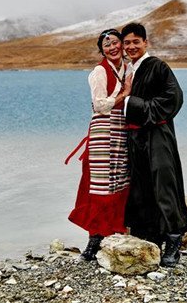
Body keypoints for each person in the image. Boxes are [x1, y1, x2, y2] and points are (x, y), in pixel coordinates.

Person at [121, 22, 187, 267]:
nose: (131, 46)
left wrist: (135, 104)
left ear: (146, 42)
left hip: (158, 135)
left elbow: (174, 97)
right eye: (127, 43)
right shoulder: (129, 70)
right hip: (136, 138)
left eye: (136, 42)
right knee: (141, 185)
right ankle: (150, 236)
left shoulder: (158, 66)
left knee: (164, 183)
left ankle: (173, 239)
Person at [66, 28, 133, 261]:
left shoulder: (128, 69)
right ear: (102, 51)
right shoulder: (99, 71)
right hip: (103, 131)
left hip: (122, 129)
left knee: (120, 180)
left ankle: (115, 229)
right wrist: (124, 93)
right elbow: (100, 105)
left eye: (115, 43)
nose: (112, 48)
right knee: (100, 184)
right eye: (107, 45)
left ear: (122, 45)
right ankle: (94, 238)